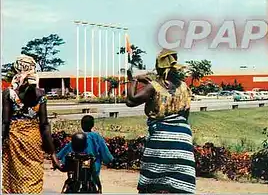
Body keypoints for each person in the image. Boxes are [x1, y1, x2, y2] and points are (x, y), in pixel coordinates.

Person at [126, 49, 196, 194]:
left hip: (162, 135)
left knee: (153, 179)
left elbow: (131, 100)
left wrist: (133, 80)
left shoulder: (155, 87)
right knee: (180, 177)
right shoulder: (184, 86)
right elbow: (186, 114)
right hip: (183, 137)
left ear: (159, 66)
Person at [2, 55, 62, 193]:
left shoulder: (8, 93)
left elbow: (5, 122)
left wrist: (3, 143)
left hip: (14, 141)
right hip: (33, 140)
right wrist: (53, 155)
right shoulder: (40, 94)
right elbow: (44, 126)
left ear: (17, 68)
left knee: (15, 179)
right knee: (32, 177)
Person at [57, 115, 113, 179]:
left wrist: (58, 158)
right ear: (92, 125)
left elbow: (67, 149)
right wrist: (109, 160)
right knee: (95, 182)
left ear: (81, 125)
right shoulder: (96, 137)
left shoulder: (78, 136)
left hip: (76, 166)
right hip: (92, 166)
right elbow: (104, 151)